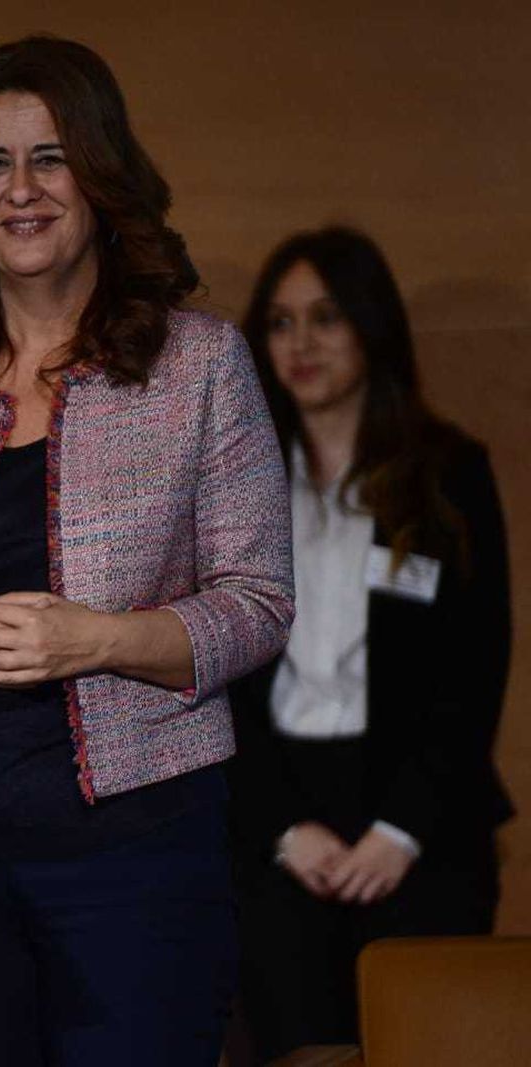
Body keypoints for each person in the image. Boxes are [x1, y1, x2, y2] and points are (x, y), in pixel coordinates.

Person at [0, 36, 294, 1067]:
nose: (20, 189)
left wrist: (97, 640)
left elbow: (257, 603)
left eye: (50, 157)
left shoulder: (201, 363)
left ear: (100, 174)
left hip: (141, 850)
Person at [228, 226, 514, 1059]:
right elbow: (218, 672)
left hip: (421, 820)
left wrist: (402, 830)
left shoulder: (447, 474)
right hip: (279, 820)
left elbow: (475, 666)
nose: (301, 343)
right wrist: (283, 826)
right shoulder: (235, 483)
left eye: (326, 317)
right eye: (280, 322)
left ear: (371, 326)